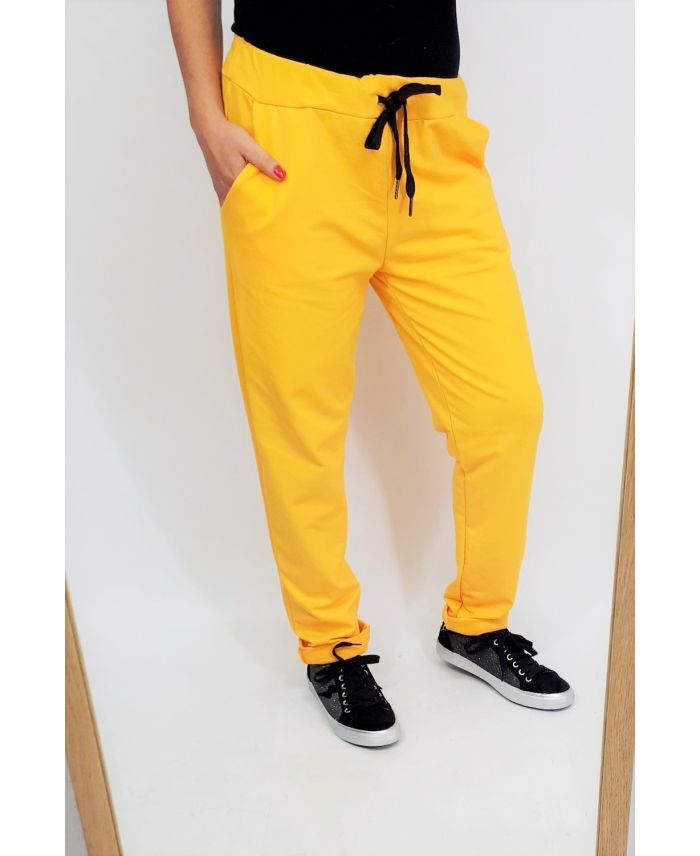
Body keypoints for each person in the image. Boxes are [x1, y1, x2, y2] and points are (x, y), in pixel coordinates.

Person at [167, 0, 574, 748]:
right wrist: (205, 115)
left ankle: (477, 623)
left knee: (504, 409)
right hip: (287, 128)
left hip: (431, 130)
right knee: (300, 420)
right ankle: (330, 646)